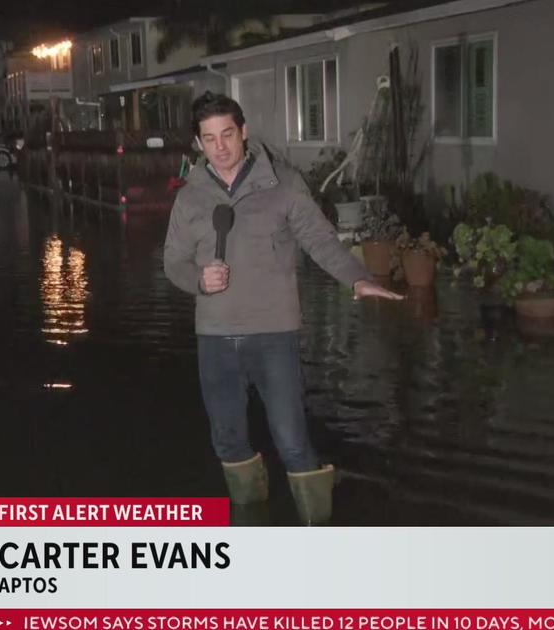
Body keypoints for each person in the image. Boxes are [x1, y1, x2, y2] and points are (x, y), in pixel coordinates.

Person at [163, 91, 403, 525]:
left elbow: (319, 240)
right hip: (215, 340)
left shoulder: (283, 185)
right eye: (210, 138)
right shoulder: (190, 198)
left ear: (244, 133)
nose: (220, 147)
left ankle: (317, 535)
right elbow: (173, 263)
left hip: (274, 335)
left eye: (228, 134)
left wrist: (359, 278)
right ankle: (251, 529)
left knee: (292, 441)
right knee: (228, 441)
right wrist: (198, 280)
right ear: (198, 144)